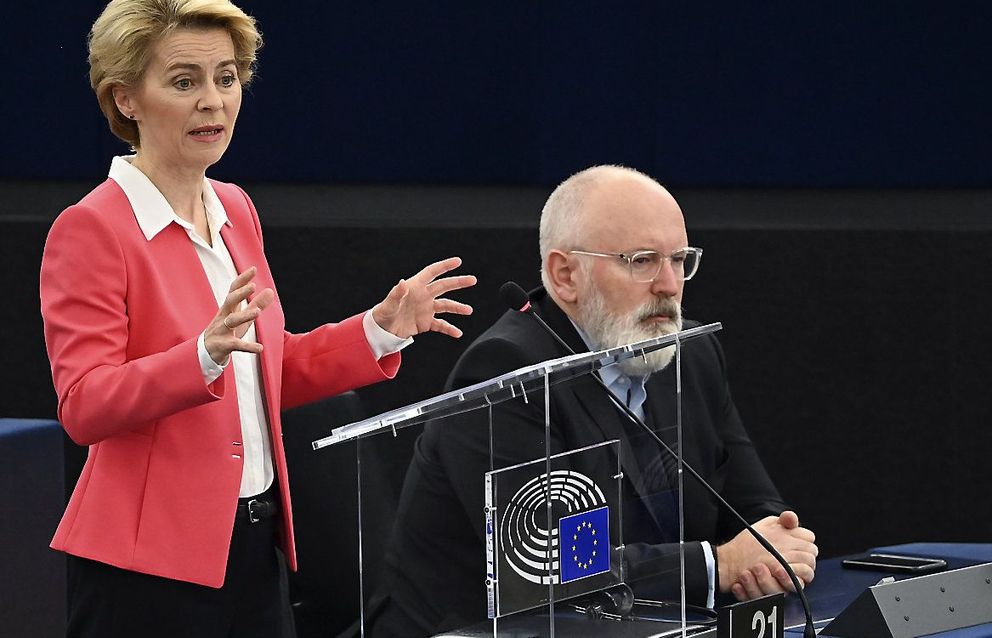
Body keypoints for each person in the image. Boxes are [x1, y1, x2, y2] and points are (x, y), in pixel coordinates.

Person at [38, 1, 475, 636]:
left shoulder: (236, 208)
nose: (213, 101)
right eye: (184, 81)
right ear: (126, 98)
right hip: (148, 569)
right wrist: (199, 357)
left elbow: (266, 371)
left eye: (227, 76)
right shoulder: (92, 229)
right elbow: (84, 404)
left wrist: (378, 328)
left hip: (253, 547)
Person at [370, 165, 818, 636]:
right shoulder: (508, 374)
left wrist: (774, 547)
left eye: (679, 259)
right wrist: (719, 565)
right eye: (643, 260)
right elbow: (552, 562)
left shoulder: (692, 353)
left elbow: (753, 502)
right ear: (565, 275)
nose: (669, 284)